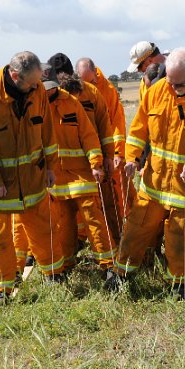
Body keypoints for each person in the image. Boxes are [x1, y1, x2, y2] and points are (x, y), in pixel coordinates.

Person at [105, 48, 185, 299]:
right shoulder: (157, 92)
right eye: (169, 82)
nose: (172, 88)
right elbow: (138, 131)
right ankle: (121, 276)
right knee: (135, 231)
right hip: (153, 183)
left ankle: (179, 286)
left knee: (178, 239)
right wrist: (132, 159)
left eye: (178, 84)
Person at [0, 51, 65, 305]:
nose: (37, 88)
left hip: (33, 181)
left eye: (38, 83)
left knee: (44, 231)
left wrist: (51, 167)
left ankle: (54, 275)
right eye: (31, 83)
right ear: (14, 76)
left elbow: (47, 129)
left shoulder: (37, 89)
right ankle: (2, 288)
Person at [38, 63, 116, 275]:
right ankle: (66, 266)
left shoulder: (71, 102)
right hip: (54, 179)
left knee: (94, 219)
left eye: (52, 87)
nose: (48, 91)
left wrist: (97, 164)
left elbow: (89, 136)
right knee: (63, 225)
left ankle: (109, 267)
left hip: (82, 174)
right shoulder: (33, 104)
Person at [48, 53, 120, 246]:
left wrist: (108, 157)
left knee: (104, 210)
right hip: (60, 171)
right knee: (64, 218)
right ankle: (74, 249)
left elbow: (104, 127)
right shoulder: (47, 98)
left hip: (93, 166)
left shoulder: (91, 93)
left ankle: (116, 248)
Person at [75, 57, 137, 238]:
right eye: (84, 83)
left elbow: (117, 123)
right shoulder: (75, 89)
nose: (89, 87)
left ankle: (122, 231)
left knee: (118, 193)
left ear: (96, 73)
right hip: (87, 152)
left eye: (91, 81)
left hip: (109, 151)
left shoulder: (108, 90)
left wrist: (117, 152)